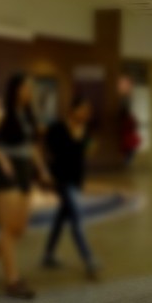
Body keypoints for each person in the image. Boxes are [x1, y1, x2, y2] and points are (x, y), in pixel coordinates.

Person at [0, 74, 52, 300]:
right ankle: (12, 280)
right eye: (28, 87)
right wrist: (0, 157)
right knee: (8, 229)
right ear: (16, 89)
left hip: (25, 172)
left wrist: (42, 170)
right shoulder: (2, 113)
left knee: (20, 228)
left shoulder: (26, 115)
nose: (31, 92)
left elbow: (32, 147)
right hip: (5, 174)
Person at [42, 95, 99, 279]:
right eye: (83, 109)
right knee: (76, 219)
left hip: (75, 181)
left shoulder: (85, 131)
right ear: (73, 110)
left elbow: (84, 155)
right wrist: (45, 172)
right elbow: (44, 147)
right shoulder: (58, 128)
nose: (86, 114)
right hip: (61, 180)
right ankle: (88, 259)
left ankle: (48, 255)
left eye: (88, 111)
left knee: (61, 217)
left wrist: (89, 149)